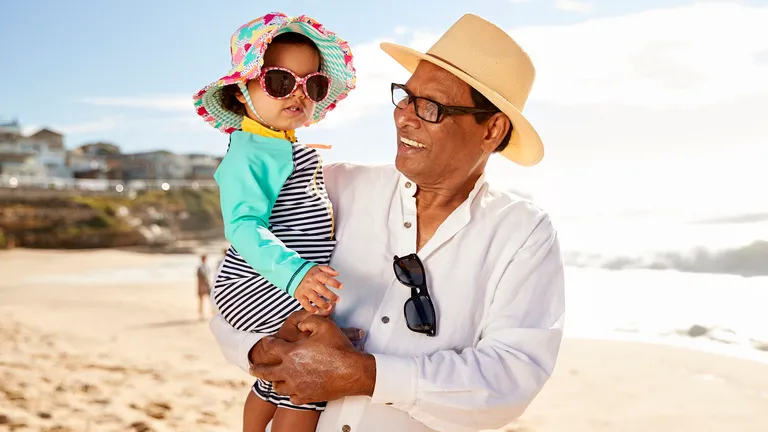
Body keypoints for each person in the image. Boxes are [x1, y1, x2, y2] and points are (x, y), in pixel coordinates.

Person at [210, 13, 566, 432]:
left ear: (492, 130)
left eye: (430, 106)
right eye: (405, 97)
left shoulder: (523, 232)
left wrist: (363, 373)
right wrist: (261, 349)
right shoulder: (328, 185)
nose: (404, 117)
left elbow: (511, 377)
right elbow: (237, 282)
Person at [193, 12, 356, 432]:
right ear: (241, 92)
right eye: (281, 82)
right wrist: (296, 274)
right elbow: (243, 227)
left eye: (312, 85)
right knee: (312, 375)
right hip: (262, 281)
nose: (298, 94)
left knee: (282, 371)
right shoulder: (248, 153)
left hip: (277, 281)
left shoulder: (276, 145)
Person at [195, 254, 211, 320]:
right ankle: (201, 314)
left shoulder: (207, 267)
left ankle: (211, 314)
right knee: (201, 301)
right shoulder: (200, 267)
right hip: (201, 285)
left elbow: (208, 276)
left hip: (207, 285)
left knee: (210, 300)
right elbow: (199, 277)